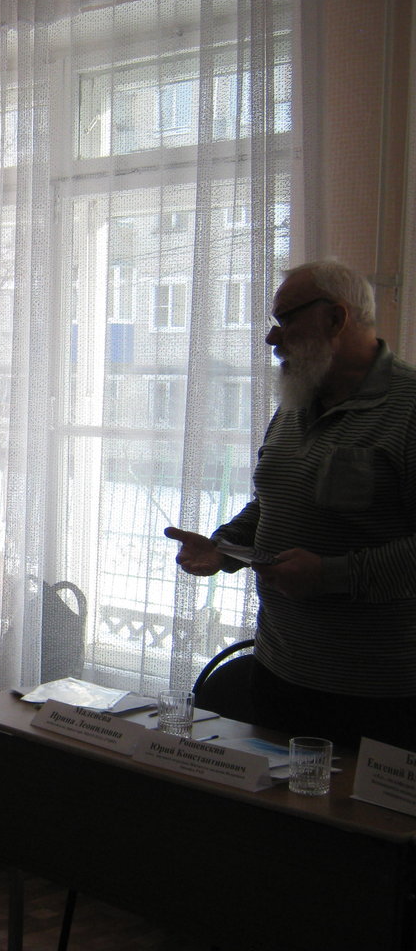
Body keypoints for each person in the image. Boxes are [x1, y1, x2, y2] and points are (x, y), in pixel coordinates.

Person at [166, 259, 416, 749]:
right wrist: (224, 547)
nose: (271, 338)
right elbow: (273, 502)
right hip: (280, 671)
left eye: (285, 320)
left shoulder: (409, 408)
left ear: (336, 318)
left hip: (380, 694)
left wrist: (331, 575)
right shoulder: (297, 401)